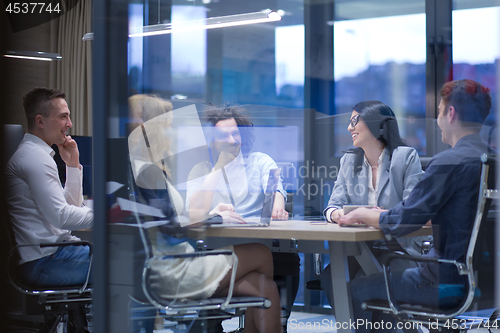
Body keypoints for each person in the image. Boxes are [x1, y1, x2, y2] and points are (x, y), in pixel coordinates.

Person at [339, 79, 492, 332]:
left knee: (353, 291)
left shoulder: (449, 163)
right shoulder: (490, 161)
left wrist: (368, 215)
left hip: (445, 281)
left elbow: (406, 220)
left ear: (451, 114)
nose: (438, 120)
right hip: (486, 281)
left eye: (439, 112)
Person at [127, 97, 282, 333]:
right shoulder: (150, 172)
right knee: (262, 253)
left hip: (171, 263)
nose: (172, 134)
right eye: (167, 126)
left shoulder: (145, 169)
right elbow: (175, 224)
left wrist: (208, 214)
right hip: (172, 270)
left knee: (265, 287)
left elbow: (175, 218)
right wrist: (213, 216)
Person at [185, 104, 299, 332]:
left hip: (251, 256)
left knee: (266, 288)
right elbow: (194, 215)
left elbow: (277, 188)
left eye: (235, 133)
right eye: (222, 135)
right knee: (263, 267)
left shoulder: (259, 160)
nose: (231, 139)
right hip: (213, 257)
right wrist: (218, 168)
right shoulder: (201, 169)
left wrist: (278, 206)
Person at [320, 100, 426, 307]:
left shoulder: (405, 157)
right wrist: (337, 214)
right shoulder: (348, 161)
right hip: (361, 247)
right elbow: (332, 205)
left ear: (375, 123)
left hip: (398, 246)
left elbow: (413, 209)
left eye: (354, 121)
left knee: (367, 281)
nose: (349, 127)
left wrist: (377, 215)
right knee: (330, 277)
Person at [5, 87, 93, 288]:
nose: (69, 124)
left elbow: (70, 207)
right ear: (40, 121)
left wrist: (72, 165)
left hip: (55, 254)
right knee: (124, 265)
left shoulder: (38, 154)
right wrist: (105, 216)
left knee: (120, 260)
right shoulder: (34, 158)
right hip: (45, 261)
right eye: (63, 117)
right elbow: (62, 217)